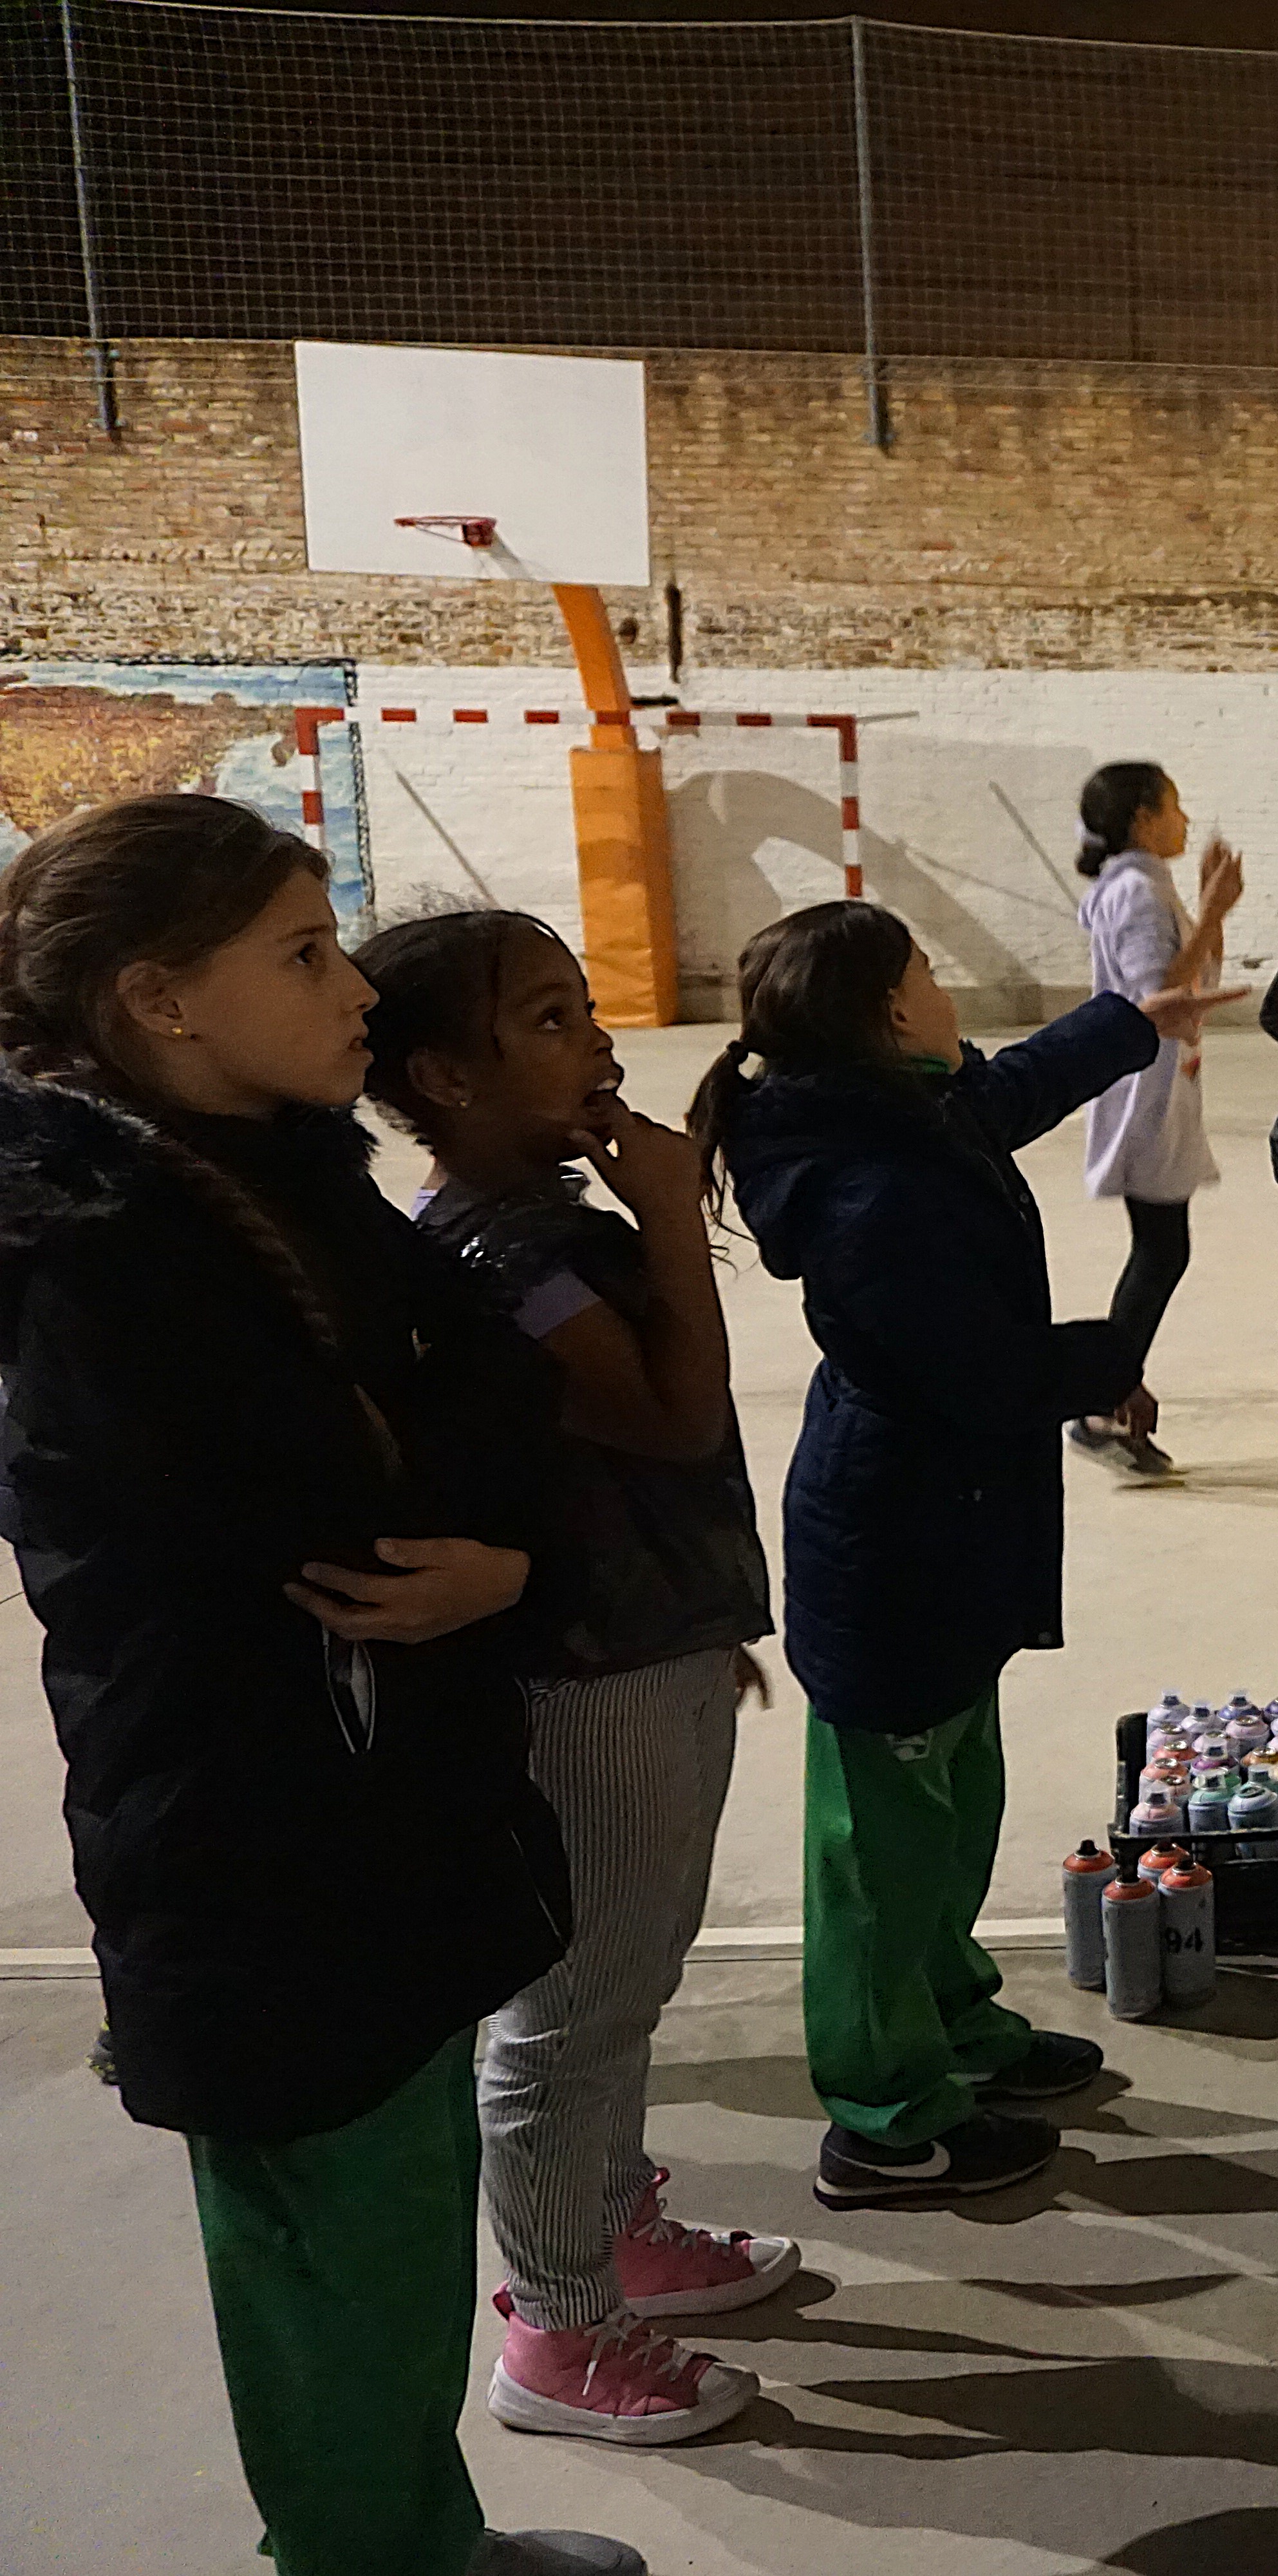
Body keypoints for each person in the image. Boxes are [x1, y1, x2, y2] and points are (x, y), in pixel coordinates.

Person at [0, 797, 645, 2576]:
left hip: (368, 1816)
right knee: (332, 2261)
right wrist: (461, 1466)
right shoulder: (103, 1242)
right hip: (262, 1842)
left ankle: (412, 2539)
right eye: (301, 951)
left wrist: (501, 1550)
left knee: (393, 2226)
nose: (353, 982)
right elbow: (345, 1514)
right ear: (162, 1000)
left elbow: (483, 1401)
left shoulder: (280, 1172)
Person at [692, 899, 1244, 2208]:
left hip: (951, 1533)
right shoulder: (872, 1184)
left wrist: (1132, 1025)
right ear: (891, 1012)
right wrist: (1107, 1364)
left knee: (950, 1811)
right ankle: (885, 2114)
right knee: (881, 1853)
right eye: (929, 974)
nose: (949, 993)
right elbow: (979, 1375)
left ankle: (955, 2024)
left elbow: (1006, 1091)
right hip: (893, 1543)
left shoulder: (898, 1112)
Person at [359, 909, 793, 2450]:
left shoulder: (541, 1220)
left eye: (585, 1004)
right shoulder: (506, 1254)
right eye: (548, 1019)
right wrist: (673, 1206)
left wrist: (700, 1619)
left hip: (647, 1643)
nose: (599, 1039)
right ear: (442, 1076)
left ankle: (612, 2227)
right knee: (573, 2010)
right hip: (589, 1680)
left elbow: (628, 1481)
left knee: (634, 1969)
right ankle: (560, 2323)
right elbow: (672, 1418)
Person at [1066, 760, 1245, 1481]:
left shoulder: (1146, 886)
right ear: (1143, 817)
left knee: (1161, 1249)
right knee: (1160, 1251)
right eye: (1173, 808)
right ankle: (1100, 1400)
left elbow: (1191, 971)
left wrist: (1207, 912)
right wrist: (1214, 914)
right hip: (1144, 1094)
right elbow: (1160, 995)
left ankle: (1107, 1392)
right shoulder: (1138, 891)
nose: (1185, 820)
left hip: (1162, 1090)